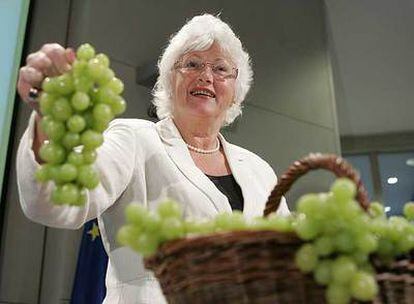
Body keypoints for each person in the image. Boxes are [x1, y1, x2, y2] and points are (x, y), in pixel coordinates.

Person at [16, 14, 289, 303]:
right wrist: (51, 117)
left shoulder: (259, 170)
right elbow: (57, 201)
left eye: (221, 69)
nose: (206, 76)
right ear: (169, 81)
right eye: (192, 64)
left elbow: (288, 260)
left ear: (235, 92)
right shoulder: (134, 139)